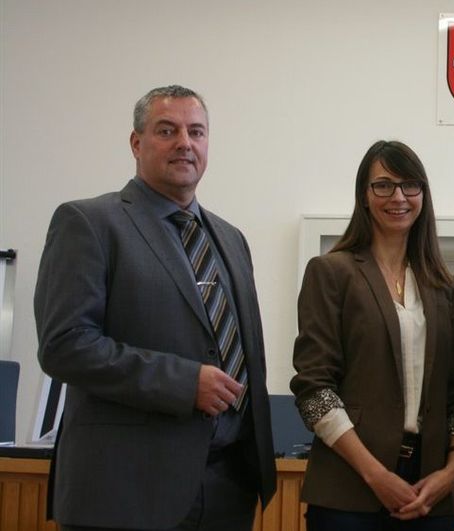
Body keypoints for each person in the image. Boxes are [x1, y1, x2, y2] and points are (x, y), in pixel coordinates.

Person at [34, 85, 277, 530]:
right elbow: (64, 345)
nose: (185, 142)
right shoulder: (88, 223)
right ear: (136, 143)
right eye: (167, 130)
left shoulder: (231, 238)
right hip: (124, 495)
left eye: (196, 132)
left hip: (228, 491)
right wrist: (184, 383)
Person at [290, 140, 454, 530]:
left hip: (429, 493)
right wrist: (376, 475)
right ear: (364, 195)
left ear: (423, 195)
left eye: (411, 185)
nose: (399, 197)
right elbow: (314, 391)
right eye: (383, 185)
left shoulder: (445, 287)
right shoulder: (331, 272)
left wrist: (452, 471)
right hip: (348, 491)